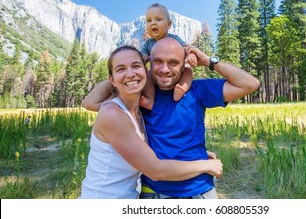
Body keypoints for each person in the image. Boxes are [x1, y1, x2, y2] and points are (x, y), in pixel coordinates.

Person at [82, 38, 260, 199]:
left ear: (184, 65)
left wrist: (208, 61)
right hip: (154, 194)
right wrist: (134, 62)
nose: (165, 69)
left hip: (199, 191)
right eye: (157, 61)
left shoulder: (198, 90)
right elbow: (90, 102)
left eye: (173, 62)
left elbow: (250, 84)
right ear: (149, 63)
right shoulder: (140, 98)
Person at [140, 3, 197, 110]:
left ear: (169, 24)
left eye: (158, 19)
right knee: (147, 74)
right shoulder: (148, 44)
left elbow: (188, 48)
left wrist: (191, 56)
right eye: (149, 20)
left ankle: (182, 89)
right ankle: (150, 99)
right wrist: (140, 60)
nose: (153, 23)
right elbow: (142, 57)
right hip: (156, 76)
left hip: (177, 74)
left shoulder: (174, 39)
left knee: (188, 71)